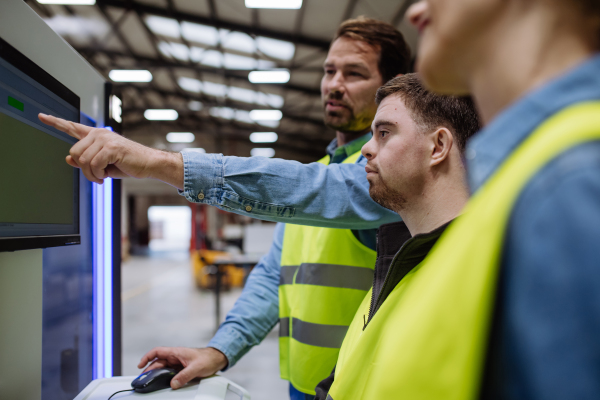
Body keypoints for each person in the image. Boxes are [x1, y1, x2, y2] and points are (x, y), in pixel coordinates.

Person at [38, 18, 410, 400]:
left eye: (354, 74)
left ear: (390, 87)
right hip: (305, 387)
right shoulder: (323, 167)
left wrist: (158, 163)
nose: (334, 84)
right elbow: (271, 278)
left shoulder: (393, 175)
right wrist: (220, 350)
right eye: (329, 70)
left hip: (366, 388)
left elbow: (315, 189)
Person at [320, 1, 600, 399]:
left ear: (439, 146)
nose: (416, 10)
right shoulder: (517, 187)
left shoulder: (572, 178)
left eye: (385, 133)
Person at [309, 73, 479, 399]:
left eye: (384, 133)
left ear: (438, 146)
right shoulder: (397, 258)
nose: (367, 150)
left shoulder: (473, 274)